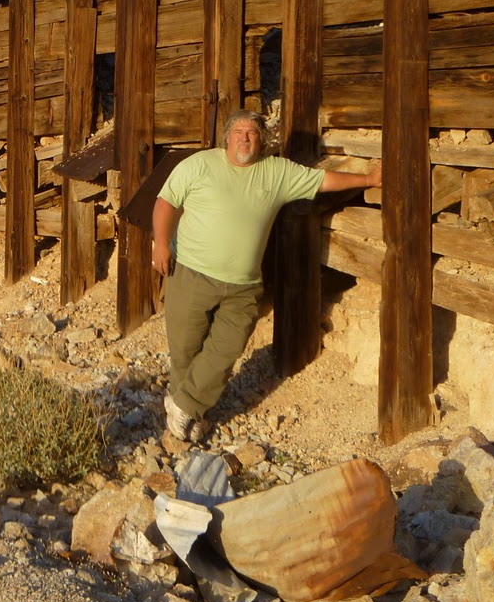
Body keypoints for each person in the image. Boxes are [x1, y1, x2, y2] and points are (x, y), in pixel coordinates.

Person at [151, 109, 381, 445]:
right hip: (191, 272)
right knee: (186, 349)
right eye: (239, 132)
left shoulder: (276, 172)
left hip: (243, 286)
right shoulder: (200, 164)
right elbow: (166, 202)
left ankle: (183, 405)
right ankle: (193, 414)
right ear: (227, 138)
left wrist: (368, 180)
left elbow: (322, 181)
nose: (245, 138)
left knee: (227, 349)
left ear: (262, 141)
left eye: (252, 133)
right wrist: (161, 243)